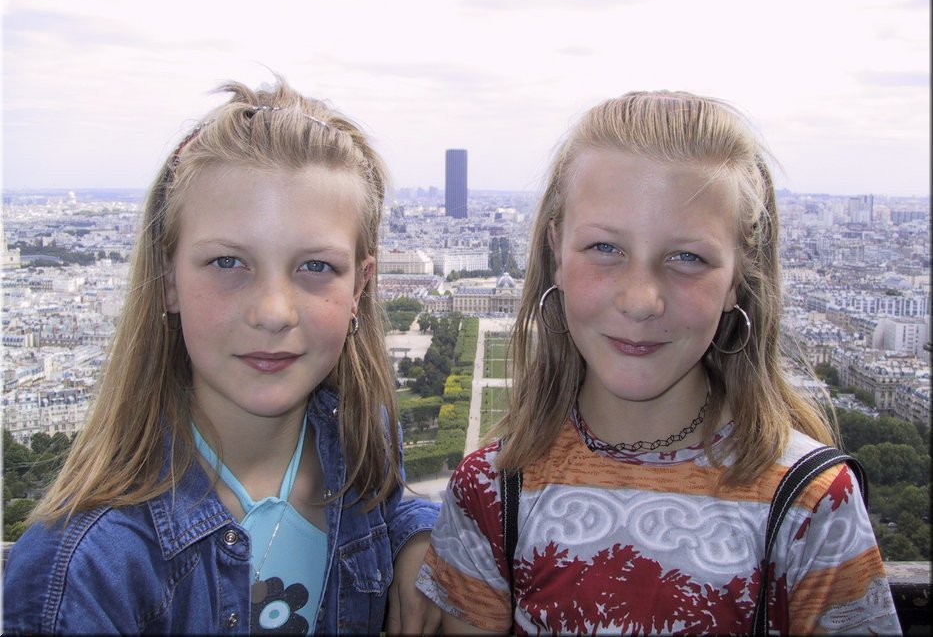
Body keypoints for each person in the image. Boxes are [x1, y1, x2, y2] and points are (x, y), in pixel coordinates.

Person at [416, 91, 901, 635]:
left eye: (687, 257)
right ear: (556, 252)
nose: (641, 300)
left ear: (737, 278)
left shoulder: (815, 505)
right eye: (605, 248)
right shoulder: (488, 493)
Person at [3, 76, 440, 635]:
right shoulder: (81, 571)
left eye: (316, 266)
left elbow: (388, 506)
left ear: (360, 287)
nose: (273, 312)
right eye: (229, 263)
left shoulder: (364, 440)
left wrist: (416, 533)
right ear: (168, 278)